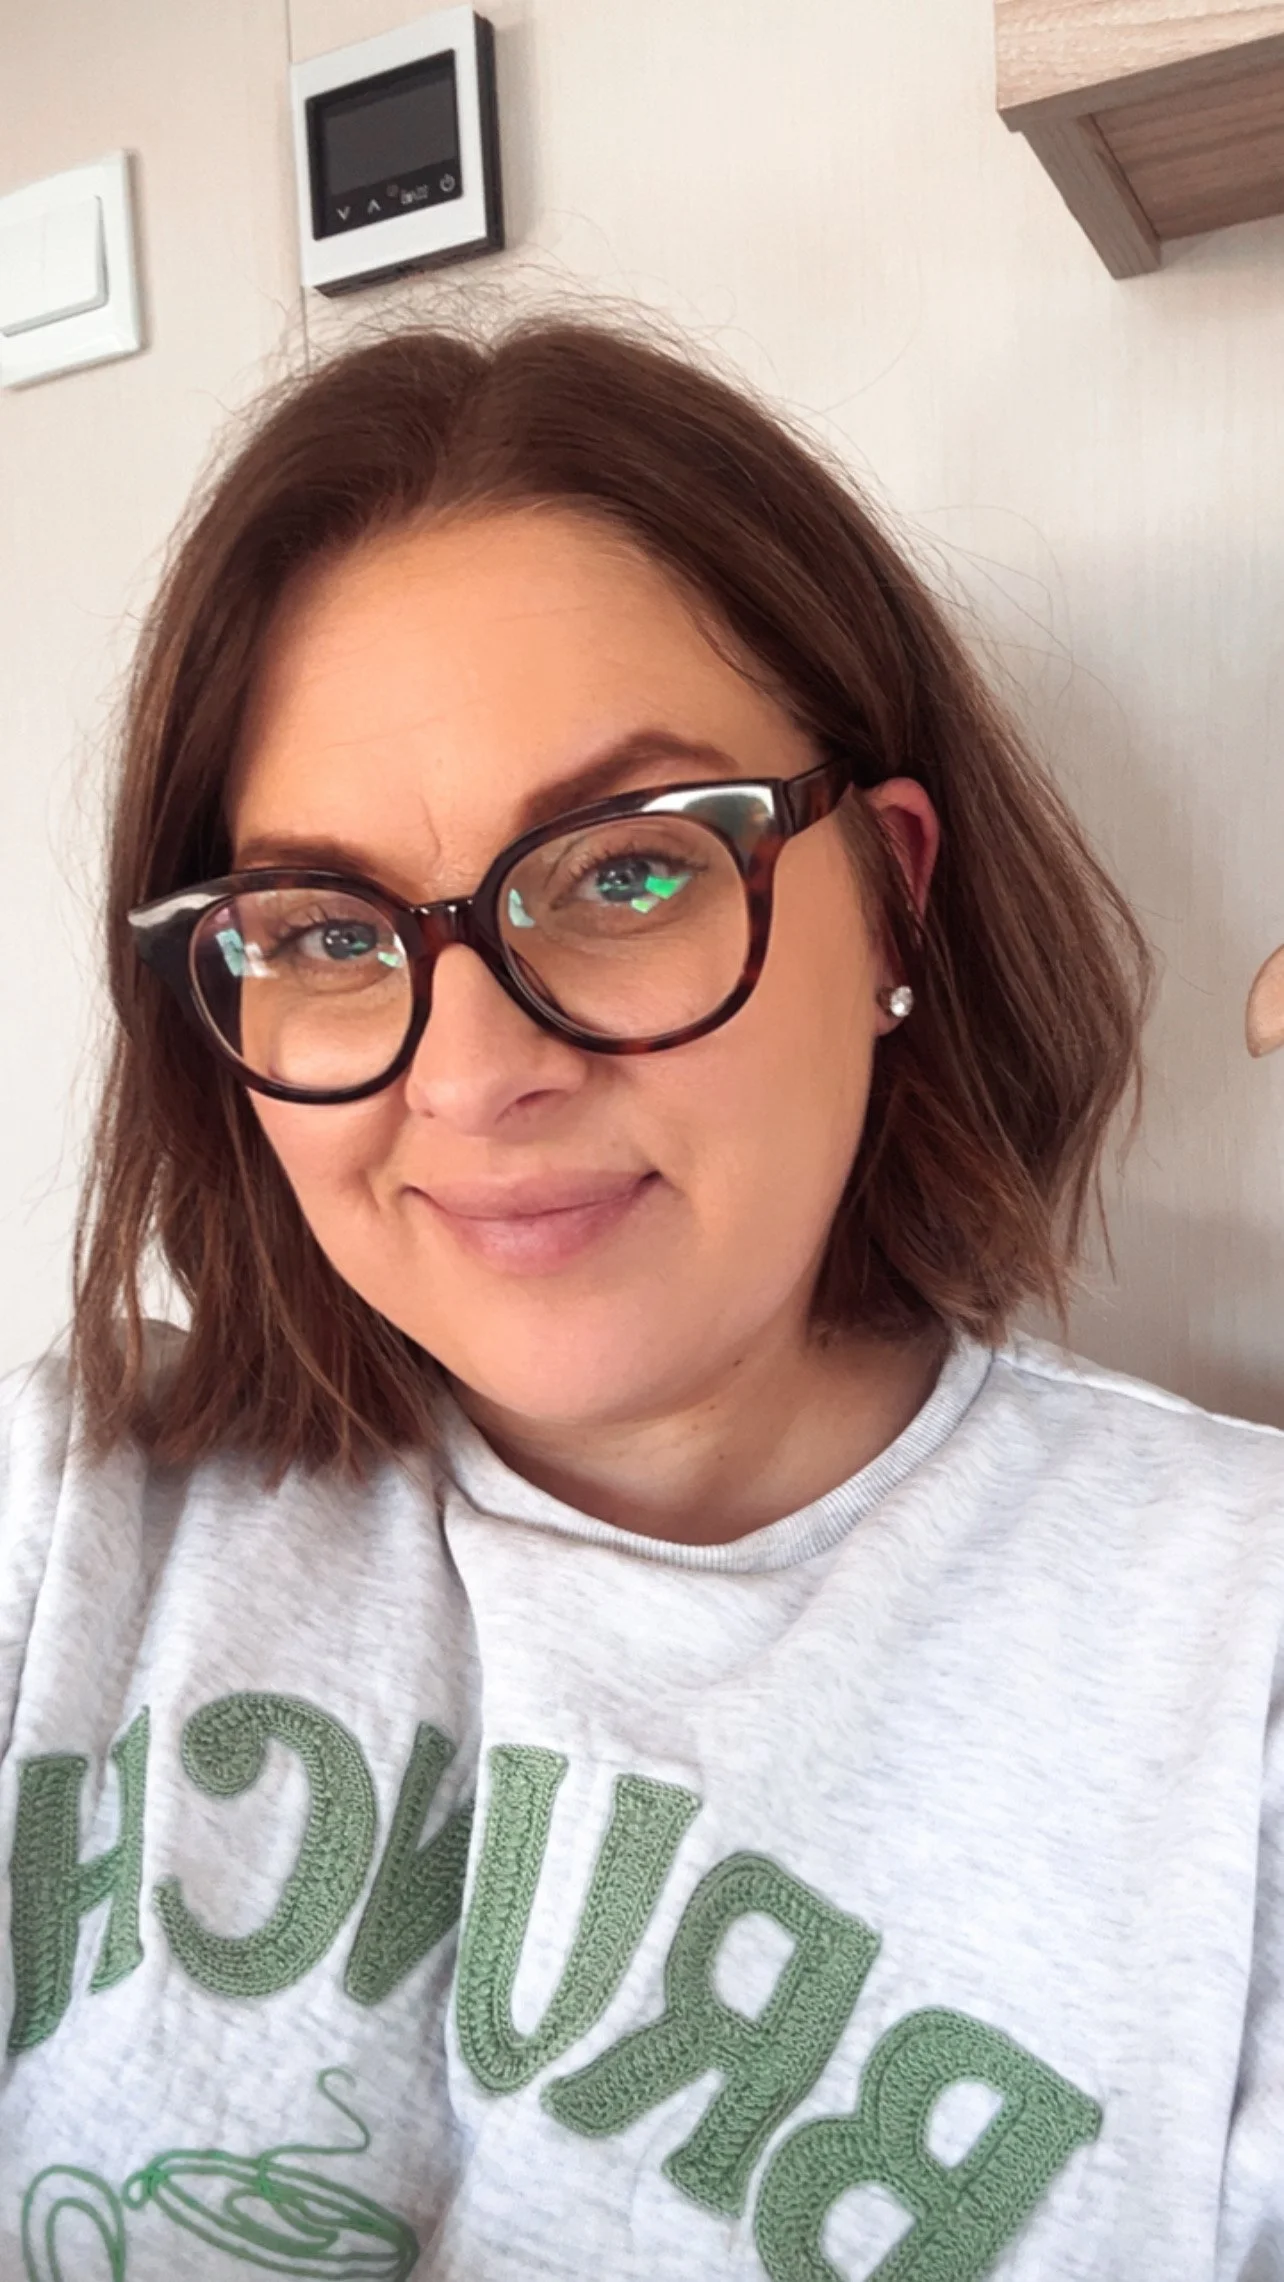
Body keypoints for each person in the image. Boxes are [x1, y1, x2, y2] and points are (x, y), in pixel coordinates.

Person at [0, 318, 1280, 2282]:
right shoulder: (69, 1511)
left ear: (892, 895)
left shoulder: (1233, 1658)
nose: (471, 1074)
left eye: (623, 873)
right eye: (329, 930)